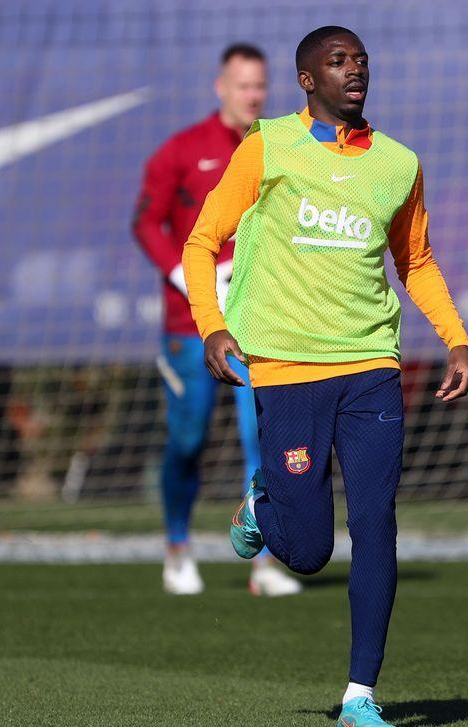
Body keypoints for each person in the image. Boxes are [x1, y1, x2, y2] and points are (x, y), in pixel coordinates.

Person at [182, 26, 468, 727]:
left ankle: (359, 695)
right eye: (338, 62)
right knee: (310, 552)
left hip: (371, 367)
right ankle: (261, 507)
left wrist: (456, 339)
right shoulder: (268, 146)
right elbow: (201, 241)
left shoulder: (399, 164)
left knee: (376, 523)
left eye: (362, 61)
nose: (355, 71)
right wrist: (212, 325)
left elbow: (418, 261)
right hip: (284, 370)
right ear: (307, 81)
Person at [132, 43, 301, 597]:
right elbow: (146, 223)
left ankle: (265, 560)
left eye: (260, 85)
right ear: (220, 86)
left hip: (260, 323)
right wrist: (185, 275)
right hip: (191, 324)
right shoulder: (181, 151)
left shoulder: (280, 146)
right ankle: (177, 545)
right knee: (188, 440)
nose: (254, 95)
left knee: (266, 441)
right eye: (243, 85)